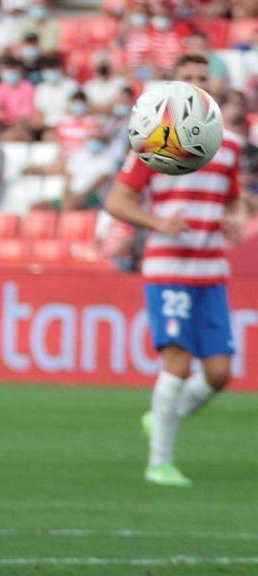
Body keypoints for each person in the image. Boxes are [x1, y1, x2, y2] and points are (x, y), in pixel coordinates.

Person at [104, 53, 244, 487]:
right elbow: (117, 201)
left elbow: (233, 198)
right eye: (188, 77)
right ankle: (158, 463)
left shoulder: (229, 144)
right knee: (178, 363)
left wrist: (236, 217)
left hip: (211, 268)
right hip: (169, 267)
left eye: (203, 76)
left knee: (219, 374)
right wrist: (156, 223)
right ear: (175, 85)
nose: (198, 82)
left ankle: (163, 416)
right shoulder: (153, 137)